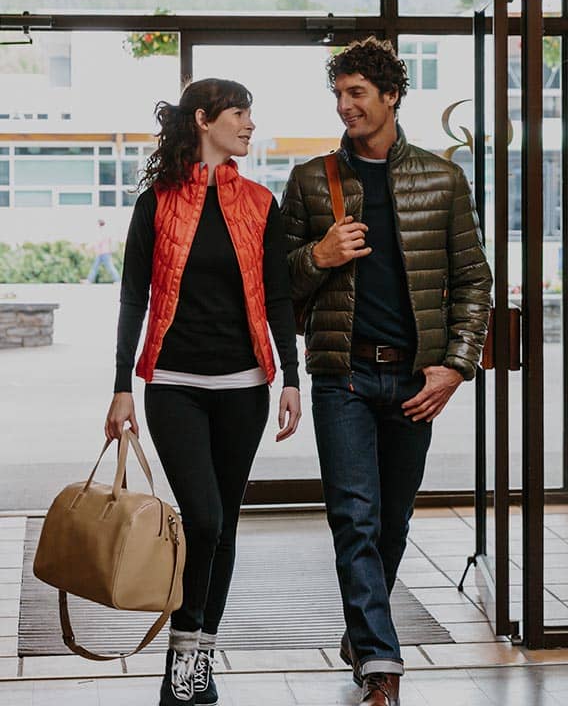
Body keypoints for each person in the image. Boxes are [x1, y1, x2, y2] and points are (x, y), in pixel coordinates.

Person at [280, 37, 492, 706]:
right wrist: (319, 252)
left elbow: (472, 282)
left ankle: (362, 631)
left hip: (413, 381)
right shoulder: (314, 180)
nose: (345, 106)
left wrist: (455, 368)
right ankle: (380, 660)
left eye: (357, 93)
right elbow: (278, 283)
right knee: (355, 517)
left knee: (393, 522)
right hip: (341, 375)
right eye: (338, 95)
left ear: (391, 95)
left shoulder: (441, 178)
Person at [105, 78, 301, 706]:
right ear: (205, 119)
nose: (249, 125)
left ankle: (193, 664)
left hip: (245, 386)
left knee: (225, 526)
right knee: (204, 518)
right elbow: (134, 295)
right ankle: (185, 654)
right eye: (241, 113)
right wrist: (121, 388)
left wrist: (290, 378)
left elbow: (277, 296)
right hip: (175, 386)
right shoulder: (156, 203)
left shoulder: (260, 203)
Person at [86, 218, 120, 283]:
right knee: (95, 267)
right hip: (102, 253)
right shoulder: (104, 231)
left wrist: (89, 246)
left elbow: (98, 241)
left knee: (109, 267)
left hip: (104, 253)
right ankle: (89, 280)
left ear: (99, 224)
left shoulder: (102, 231)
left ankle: (118, 280)